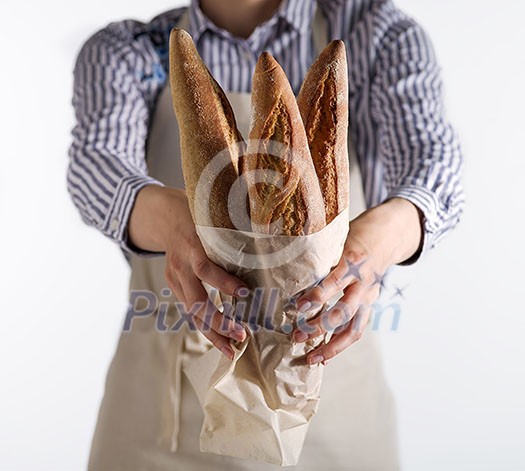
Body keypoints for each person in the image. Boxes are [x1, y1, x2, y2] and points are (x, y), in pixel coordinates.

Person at [67, 0, 464, 469]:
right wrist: (177, 226)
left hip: (332, 422)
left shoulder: (373, 35)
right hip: (162, 428)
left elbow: (433, 166)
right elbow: (97, 166)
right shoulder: (133, 52)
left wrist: (375, 247)